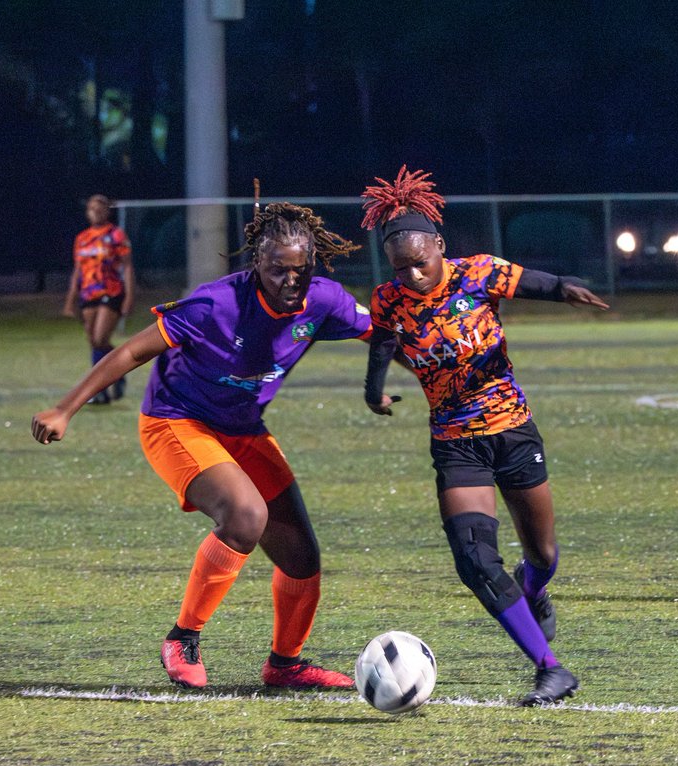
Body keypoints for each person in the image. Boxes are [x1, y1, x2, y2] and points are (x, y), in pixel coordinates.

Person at [34, 201, 369, 690]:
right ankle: (182, 638)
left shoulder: (325, 300)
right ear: (256, 263)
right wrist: (65, 409)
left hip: (243, 428)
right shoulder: (214, 305)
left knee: (301, 556)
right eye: (278, 269)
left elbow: (388, 333)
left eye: (302, 270)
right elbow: (129, 351)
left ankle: (285, 665)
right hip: (176, 422)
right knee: (244, 516)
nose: (291, 281)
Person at [359, 166, 610, 705]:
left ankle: (535, 590)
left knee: (541, 555)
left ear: (439, 247)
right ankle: (550, 667)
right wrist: (373, 390)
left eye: (421, 264)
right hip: (456, 443)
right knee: (474, 559)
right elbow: (382, 343)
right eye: (402, 269)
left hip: (512, 431)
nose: (414, 277)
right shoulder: (388, 299)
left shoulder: (478, 273)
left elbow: (534, 283)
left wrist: (567, 291)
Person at [63, 194, 136, 405]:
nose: (95, 212)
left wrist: (129, 297)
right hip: (88, 294)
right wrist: (70, 299)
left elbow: (127, 266)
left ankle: (99, 387)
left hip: (110, 291)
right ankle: (115, 377)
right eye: (91, 208)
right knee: (94, 342)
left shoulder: (116, 235)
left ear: (107, 211)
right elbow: (78, 270)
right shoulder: (82, 238)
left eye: (99, 208)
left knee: (100, 338)